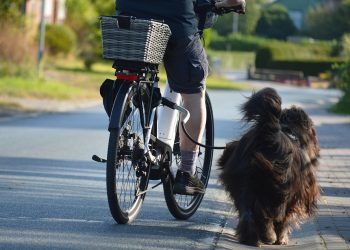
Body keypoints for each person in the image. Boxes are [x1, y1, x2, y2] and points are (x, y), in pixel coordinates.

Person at [116, 0, 245, 195]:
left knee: (134, 73)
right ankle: (187, 173)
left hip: (129, 16)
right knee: (194, 89)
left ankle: (122, 134)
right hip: (175, 18)